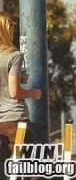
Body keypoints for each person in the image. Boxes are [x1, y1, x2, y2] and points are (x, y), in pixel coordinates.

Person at [0, 12, 42, 159]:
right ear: (5, 29)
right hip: (15, 122)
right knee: (34, 167)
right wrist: (32, 93)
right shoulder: (14, 56)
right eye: (11, 25)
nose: (14, 28)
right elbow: (14, 92)